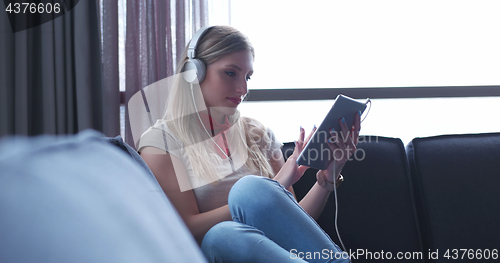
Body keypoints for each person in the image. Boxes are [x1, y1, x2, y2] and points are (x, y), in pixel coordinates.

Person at [138, 25, 361, 263]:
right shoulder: (160, 141)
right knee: (223, 232)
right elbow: (187, 229)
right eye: (230, 73)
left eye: (247, 77)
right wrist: (274, 186)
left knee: (248, 196)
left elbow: (293, 227)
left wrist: (327, 178)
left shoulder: (258, 134)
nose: (243, 89)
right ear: (194, 73)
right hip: (215, 253)